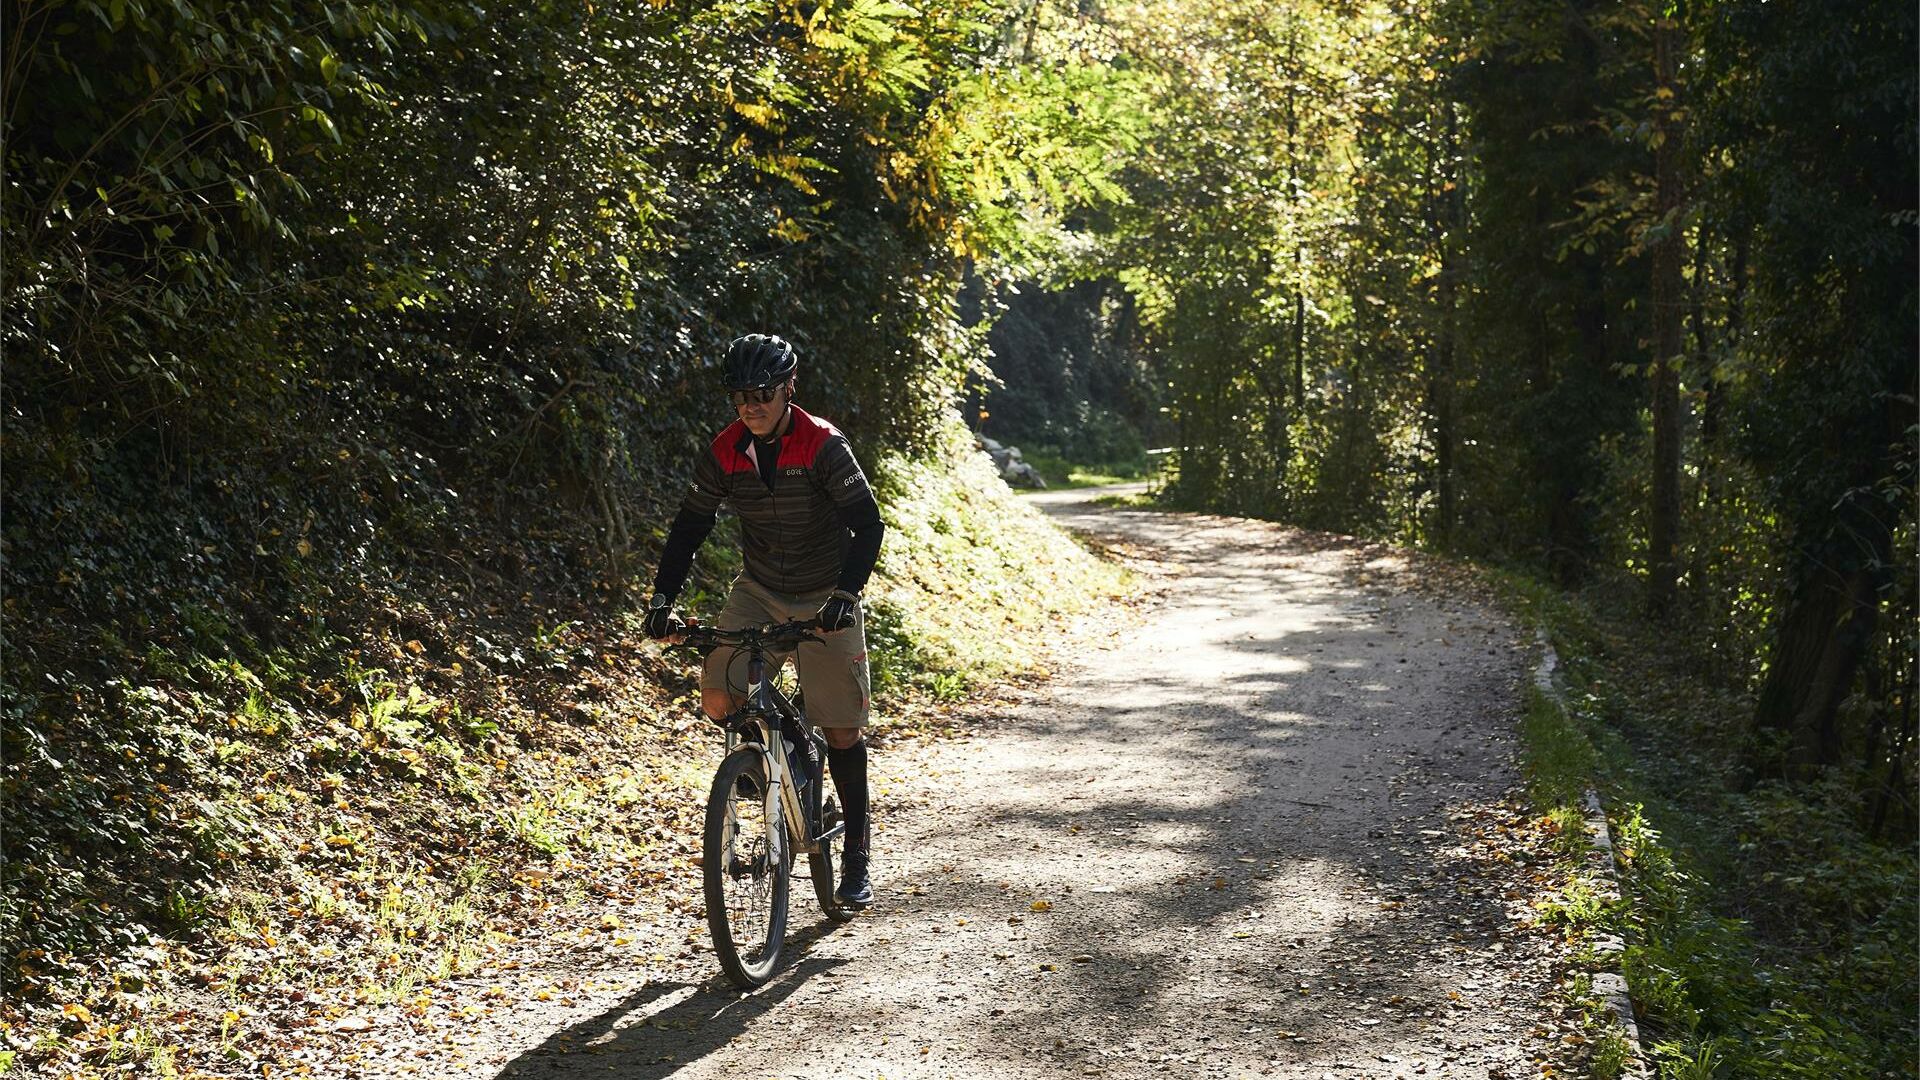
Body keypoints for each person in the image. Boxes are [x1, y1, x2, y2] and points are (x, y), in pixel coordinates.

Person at [643, 333, 884, 909]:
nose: (751, 405)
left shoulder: (823, 444)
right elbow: (690, 525)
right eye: (739, 396)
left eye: (763, 392)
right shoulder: (725, 449)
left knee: (843, 729)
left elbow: (867, 525)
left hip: (827, 590)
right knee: (719, 694)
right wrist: (661, 599)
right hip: (760, 589)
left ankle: (855, 850)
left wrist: (847, 593)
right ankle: (779, 760)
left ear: (788, 388)